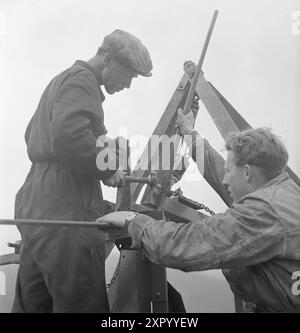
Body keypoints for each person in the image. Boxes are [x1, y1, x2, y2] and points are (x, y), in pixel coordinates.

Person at [99, 110, 300, 312]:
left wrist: (132, 220)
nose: (224, 179)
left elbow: (184, 245)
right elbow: (217, 168)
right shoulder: (284, 192)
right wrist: (189, 134)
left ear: (247, 172)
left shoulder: (264, 213)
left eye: (229, 172)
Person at [12, 29, 152, 313]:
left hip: (36, 205)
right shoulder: (83, 81)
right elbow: (68, 137)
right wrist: (107, 167)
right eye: (129, 75)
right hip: (67, 206)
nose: (128, 85)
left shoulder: (60, 81)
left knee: (34, 303)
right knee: (82, 301)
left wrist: (105, 148)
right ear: (108, 59)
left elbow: (34, 136)